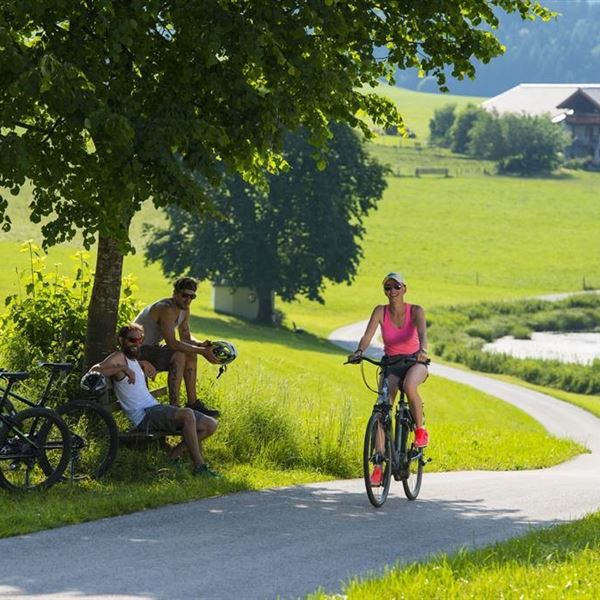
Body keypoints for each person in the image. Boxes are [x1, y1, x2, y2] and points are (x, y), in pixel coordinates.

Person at [89, 323, 219, 477]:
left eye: (140, 340)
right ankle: (199, 467)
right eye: (132, 340)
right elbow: (94, 370)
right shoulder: (119, 357)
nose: (136, 344)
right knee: (187, 415)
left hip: (154, 409)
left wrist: (141, 364)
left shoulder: (133, 359)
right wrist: (122, 369)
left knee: (210, 424)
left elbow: (133, 365)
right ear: (121, 340)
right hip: (144, 415)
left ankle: (172, 456)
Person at [348, 272, 430, 484]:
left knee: (410, 385)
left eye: (396, 287)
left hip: (415, 362)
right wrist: (359, 351)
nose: (392, 291)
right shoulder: (380, 311)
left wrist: (423, 350)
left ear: (404, 288)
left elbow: (423, 335)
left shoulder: (416, 311)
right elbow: (367, 336)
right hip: (391, 363)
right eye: (387, 288)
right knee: (382, 408)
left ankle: (420, 431)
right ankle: (378, 465)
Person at [134, 277, 220, 417]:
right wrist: (203, 352)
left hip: (152, 348)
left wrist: (201, 345)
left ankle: (193, 403)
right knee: (179, 355)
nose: (188, 300)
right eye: (184, 295)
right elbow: (172, 343)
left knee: (190, 352)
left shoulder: (184, 310)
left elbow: (185, 337)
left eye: (192, 296)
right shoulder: (166, 308)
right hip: (137, 350)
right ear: (175, 293)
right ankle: (174, 407)